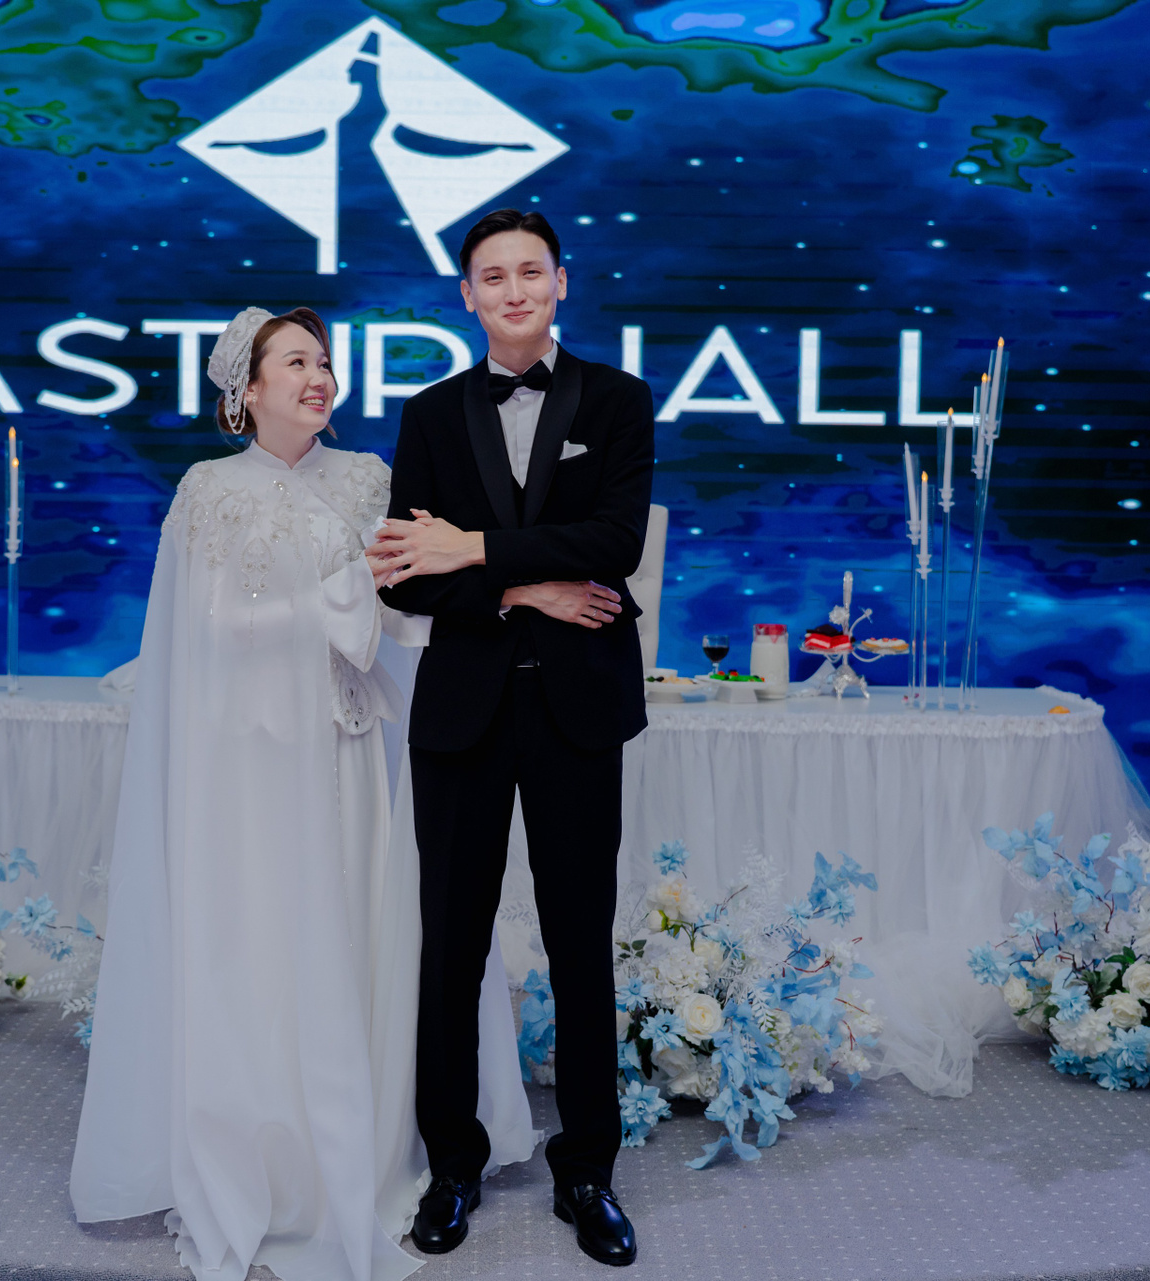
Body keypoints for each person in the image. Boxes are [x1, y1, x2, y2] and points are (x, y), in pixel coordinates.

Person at [70, 306, 535, 1281]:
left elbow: (407, 607)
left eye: (324, 362)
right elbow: (211, 630)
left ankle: (372, 1134)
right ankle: (267, 1138)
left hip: (352, 745)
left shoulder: (366, 477)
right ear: (247, 390)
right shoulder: (209, 490)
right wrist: (341, 593)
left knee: (364, 924)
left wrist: (424, 591)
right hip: (250, 761)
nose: (319, 377)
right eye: (295, 363)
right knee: (264, 936)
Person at [370, 210, 654, 1267]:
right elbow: (406, 571)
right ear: (468, 296)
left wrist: (477, 547)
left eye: (531, 271)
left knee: (581, 943)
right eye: (493, 277)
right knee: (452, 942)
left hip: (579, 706)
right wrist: (528, 584)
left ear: (561, 282)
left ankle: (588, 1170)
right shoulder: (431, 412)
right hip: (463, 709)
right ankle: (453, 1165)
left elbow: (613, 541)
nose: (515, 290)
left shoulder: (618, 400)